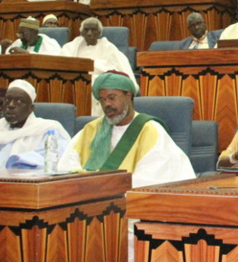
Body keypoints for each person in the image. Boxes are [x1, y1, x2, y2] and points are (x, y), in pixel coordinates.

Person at [59, 71, 195, 186]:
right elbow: (66, 167)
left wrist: (104, 185)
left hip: (130, 204)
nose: (106, 104)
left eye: (112, 98)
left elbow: (152, 179)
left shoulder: (149, 130)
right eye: (102, 99)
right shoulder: (91, 129)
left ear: (128, 95)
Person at [0, 79, 70, 168]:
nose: (11, 105)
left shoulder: (48, 130)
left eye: (19, 101)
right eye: (7, 100)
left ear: (31, 108)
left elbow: (57, 162)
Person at [62, 18, 137, 115]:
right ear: (81, 32)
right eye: (86, 30)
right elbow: (62, 63)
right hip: (75, 82)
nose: (89, 33)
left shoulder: (109, 48)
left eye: (93, 30)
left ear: (99, 32)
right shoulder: (71, 47)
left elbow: (123, 69)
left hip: (101, 83)